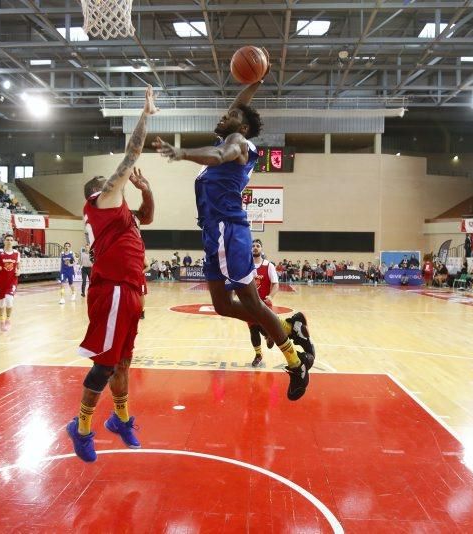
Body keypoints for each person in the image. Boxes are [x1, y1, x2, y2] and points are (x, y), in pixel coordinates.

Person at [152, 77, 315, 401]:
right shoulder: (235, 131)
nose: (224, 116)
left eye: (230, 116)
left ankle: (295, 363)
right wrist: (256, 80)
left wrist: (182, 152)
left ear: (241, 125)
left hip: (230, 230)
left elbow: (218, 154)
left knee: (252, 302)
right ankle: (287, 326)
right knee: (222, 305)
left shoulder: (237, 143)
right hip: (213, 232)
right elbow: (237, 107)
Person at [66, 85, 157, 463]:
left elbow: (147, 216)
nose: (116, 182)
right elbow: (132, 153)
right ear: (98, 191)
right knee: (105, 364)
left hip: (131, 290)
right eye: (112, 181)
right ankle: (82, 426)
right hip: (114, 290)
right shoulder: (103, 201)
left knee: (122, 362)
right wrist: (145, 115)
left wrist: (147, 189)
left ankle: (120, 420)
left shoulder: (119, 217)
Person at [247, 239, 279, 367]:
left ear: (261, 249)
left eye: (258, 246)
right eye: (253, 246)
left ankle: (268, 335)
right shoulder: (246, 265)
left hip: (264, 303)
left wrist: (271, 296)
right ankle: (258, 355)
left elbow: (276, 284)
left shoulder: (268, 265)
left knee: (263, 325)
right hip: (250, 303)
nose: (255, 248)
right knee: (253, 328)